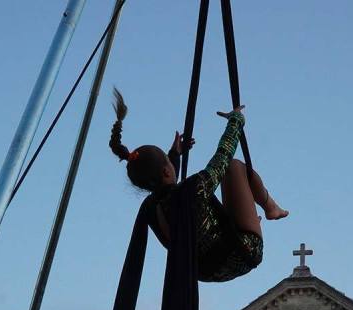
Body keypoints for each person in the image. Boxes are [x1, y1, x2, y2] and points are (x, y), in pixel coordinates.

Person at [109, 89, 288, 282]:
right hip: (243, 251)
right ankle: (271, 207)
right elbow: (223, 156)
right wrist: (235, 120)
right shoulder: (195, 188)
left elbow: (167, 187)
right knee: (234, 166)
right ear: (167, 171)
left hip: (203, 271)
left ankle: (258, 214)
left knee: (209, 212)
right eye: (169, 163)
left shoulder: (152, 208)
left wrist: (174, 155)